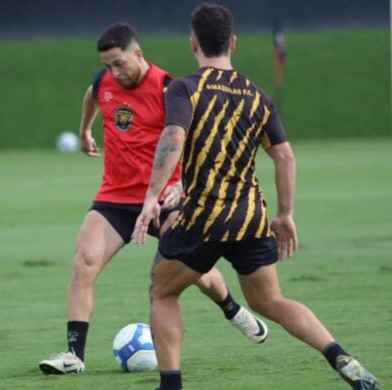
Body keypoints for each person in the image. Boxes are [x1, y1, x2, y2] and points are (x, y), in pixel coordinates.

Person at [132, 3, 380, 390]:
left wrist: (151, 197)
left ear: (192, 43)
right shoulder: (258, 96)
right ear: (233, 42)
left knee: (162, 291)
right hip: (251, 216)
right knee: (271, 302)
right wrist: (285, 214)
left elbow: (174, 137)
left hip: (202, 216)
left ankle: (171, 384)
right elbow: (284, 155)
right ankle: (340, 356)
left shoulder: (185, 88)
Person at [39, 23, 269, 376]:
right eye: (106, 65)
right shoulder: (104, 83)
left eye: (118, 63)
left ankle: (231, 308)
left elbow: (191, 139)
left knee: (197, 273)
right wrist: (85, 131)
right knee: (83, 263)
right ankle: (74, 356)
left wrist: (183, 186)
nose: (113, 72)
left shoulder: (168, 88)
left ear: (138, 54)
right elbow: (92, 94)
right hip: (114, 198)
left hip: (165, 199)